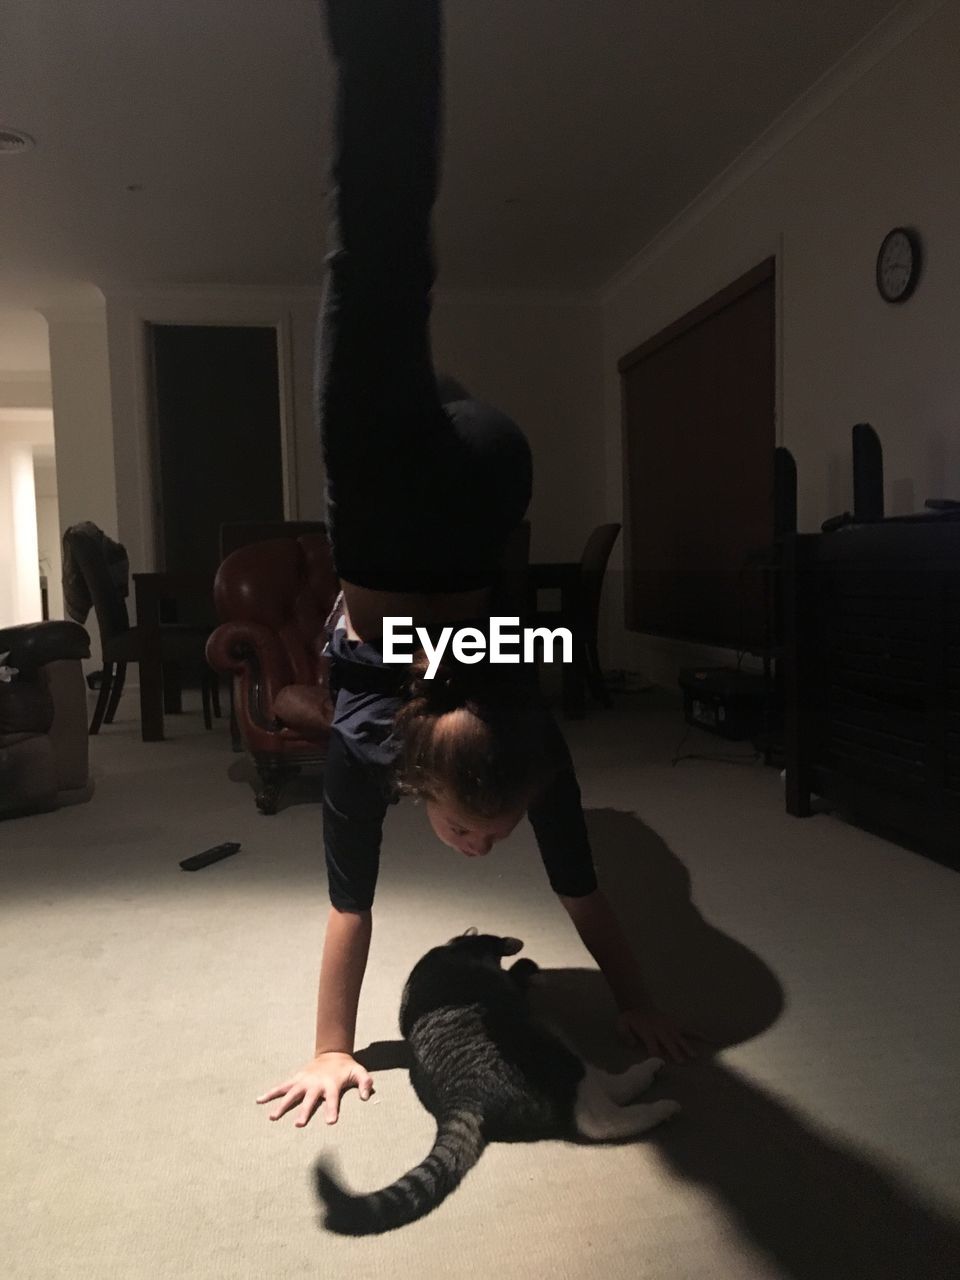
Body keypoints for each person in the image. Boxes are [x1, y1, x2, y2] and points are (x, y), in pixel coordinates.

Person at [257, 0, 695, 1132]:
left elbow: (578, 885)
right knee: (376, 235)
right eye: (478, 835)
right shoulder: (385, 749)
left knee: (393, 256)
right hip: (393, 503)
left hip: (492, 480)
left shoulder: (525, 730)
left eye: (475, 837)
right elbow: (367, 898)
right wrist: (325, 1045)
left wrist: (335, 1048)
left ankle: (429, 382)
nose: (479, 847)